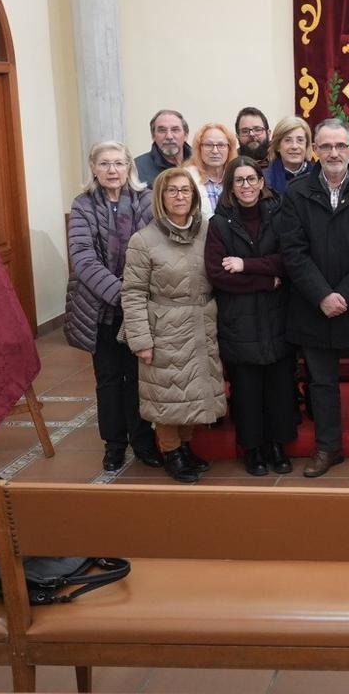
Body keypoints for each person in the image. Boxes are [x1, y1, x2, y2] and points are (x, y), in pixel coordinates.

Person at [280, 119, 349, 479]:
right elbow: (292, 251)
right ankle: (328, 448)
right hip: (314, 307)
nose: (333, 153)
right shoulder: (296, 193)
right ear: (315, 150)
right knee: (322, 384)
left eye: (340, 146)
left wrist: (344, 293)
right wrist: (323, 295)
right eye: (326, 146)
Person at [121, 167, 226, 483]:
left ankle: (185, 447)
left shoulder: (208, 231)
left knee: (192, 389)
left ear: (194, 196)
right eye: (172, 190)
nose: (180, 196)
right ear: (160, 197)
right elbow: (134, 292)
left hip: (201, 322)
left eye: (185, 190)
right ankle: (171, 452)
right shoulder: (144, 240)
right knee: (167, 393)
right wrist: (141, 339)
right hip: (164, 326)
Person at [64, 141, 162, 472]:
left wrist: (136, 297)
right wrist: (124, 294)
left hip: (140, 308)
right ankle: (115, 444)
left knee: (138, 377)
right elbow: (82, 258)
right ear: (93, 168)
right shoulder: (82, 205)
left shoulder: (146, 201)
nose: (112, 170)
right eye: (104, 164)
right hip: (101, 309)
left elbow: (156, 248)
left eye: (118, 163)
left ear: (129, 167)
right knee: (108, 378)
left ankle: (143, 441)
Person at [205, 157, 297, 477]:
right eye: (239, 180)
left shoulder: (280, 214)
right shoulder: (219, 224)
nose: (246, 186)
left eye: (251, 179)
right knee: (246, 390)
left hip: (277, 316)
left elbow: (288, 261)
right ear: (230, 187)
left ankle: (277, 446)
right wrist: (265, 279)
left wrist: (246, 265)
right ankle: (253, 450)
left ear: (262, 182)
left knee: (280, 387)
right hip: (239, 319)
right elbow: (218, 274)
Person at [186, 122, 238, 215]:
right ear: (199, 148)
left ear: (229, 149)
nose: (215, 151)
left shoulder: (238, 176)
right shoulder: (187, 178)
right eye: (208, 145)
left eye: (221, 145)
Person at [134, 109, 191, 187]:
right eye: (162, 130)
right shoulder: (137, 168)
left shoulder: (200, 162)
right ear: (153, 136)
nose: (169, 136)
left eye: (175, 130)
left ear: (186, 135)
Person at [263, 116, 316, 198]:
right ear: (277, 146)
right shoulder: (264, 179)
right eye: (288, 140)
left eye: (300, 140)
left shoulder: (320, 176)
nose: (294, 146)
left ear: (307, 145)